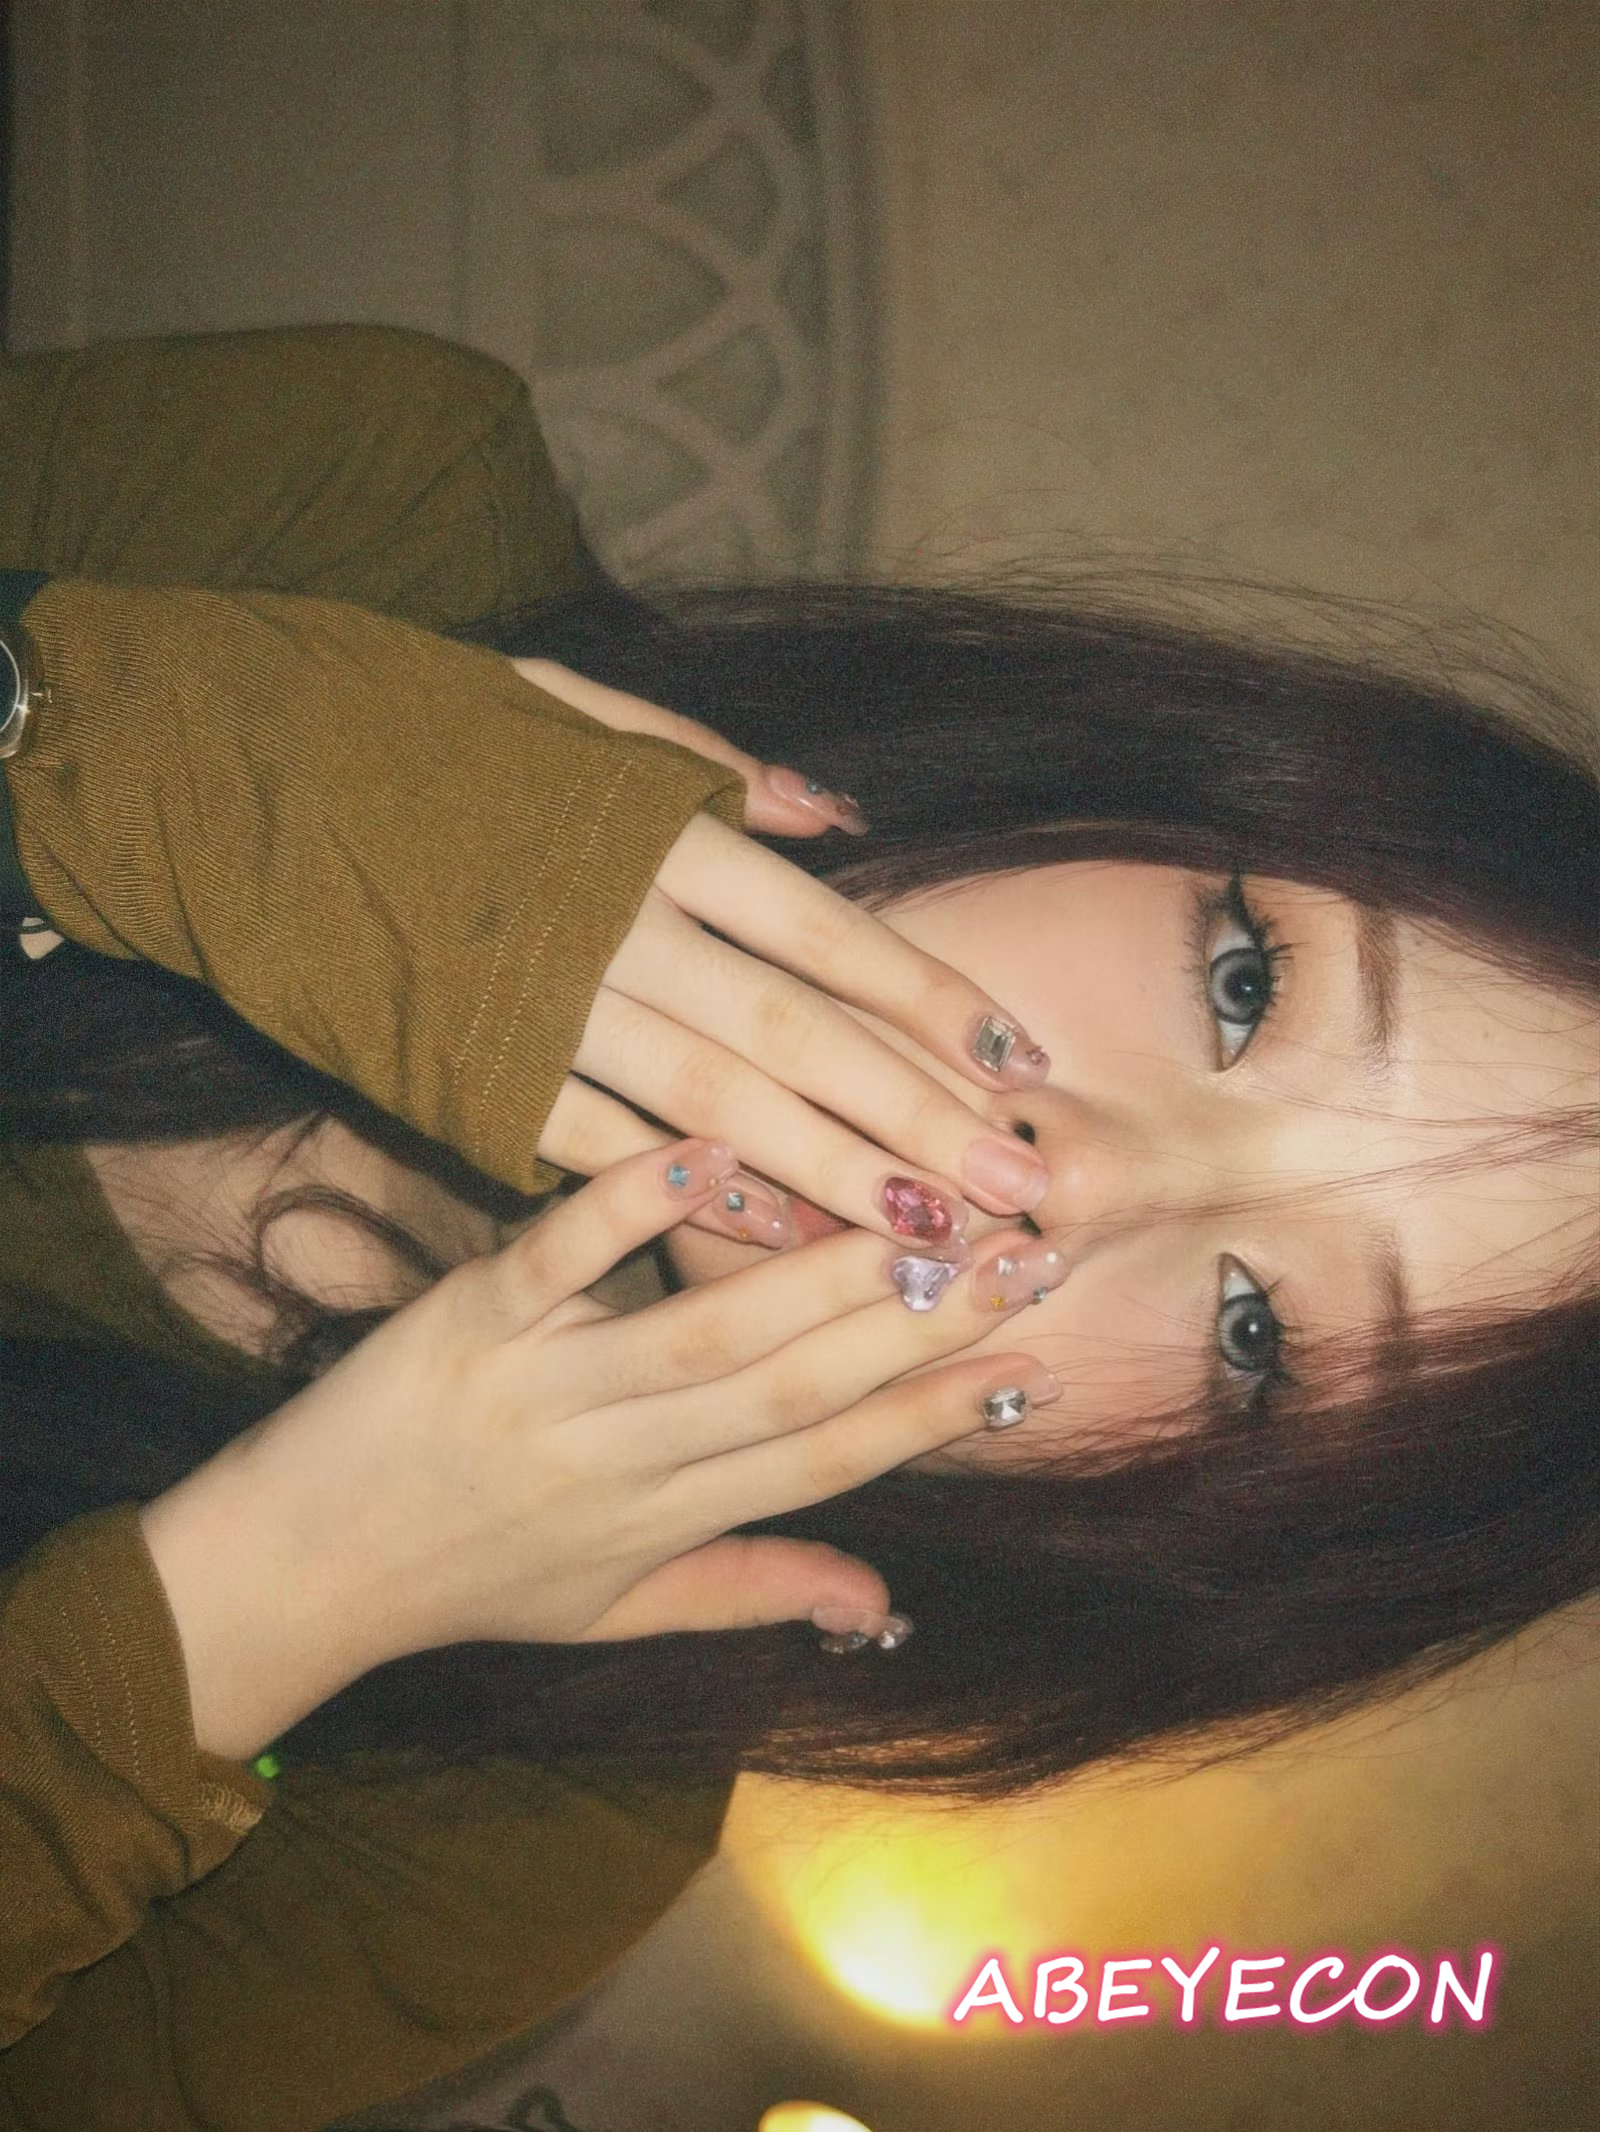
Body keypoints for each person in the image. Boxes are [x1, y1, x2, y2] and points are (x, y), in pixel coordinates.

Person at [1, 329, 1595, 2129]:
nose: (1071, 1179)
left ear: (1172, 1527)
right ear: (1134, 787)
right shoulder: (388, 499)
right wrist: (168, 770)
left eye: (1259, 1340)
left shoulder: (515, 1846)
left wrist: (262, 1603)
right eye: (1245, 986)